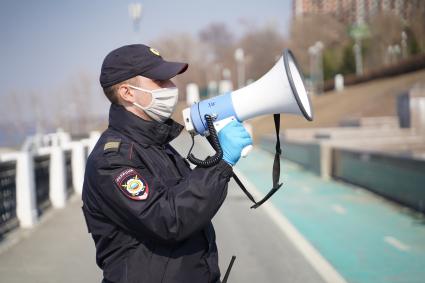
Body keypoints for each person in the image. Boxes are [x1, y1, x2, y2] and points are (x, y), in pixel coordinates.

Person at [81, 44, 252, 283]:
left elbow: (183, 199)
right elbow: (169, 219)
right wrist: (220, 163)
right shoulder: (111, 161)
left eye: (170, 80)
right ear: (127, 92)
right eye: (160, 82)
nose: (171, 88)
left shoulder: (154, 144)